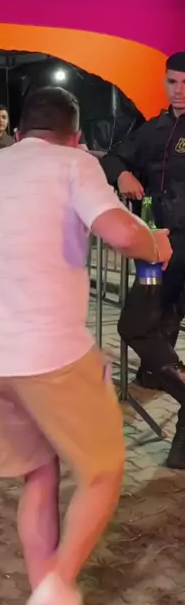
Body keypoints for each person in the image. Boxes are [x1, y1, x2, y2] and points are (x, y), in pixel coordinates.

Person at [0, 86, 172, 605]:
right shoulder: (75, 164)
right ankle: (56, 587)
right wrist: (155, 245)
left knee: (39, 473)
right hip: (46, 351)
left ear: (19, 131)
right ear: (75, 137)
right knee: (103, 471)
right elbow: (118, 232)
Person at [101, 50, 185, 468]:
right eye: (173, 81)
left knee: (162, 322)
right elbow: (113, 157)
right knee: (137, 324)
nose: (179, 90)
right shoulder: (154, 128)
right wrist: (121, 174)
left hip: (181, 248)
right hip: (155, 251)